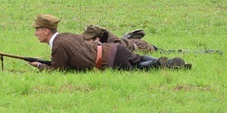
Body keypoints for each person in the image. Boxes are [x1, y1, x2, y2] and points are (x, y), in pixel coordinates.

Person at [28, 14, 190, 71]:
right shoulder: (67, 36)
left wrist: (40, 66)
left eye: (37, 29)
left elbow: (58, 70)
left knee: (138, 70)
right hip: (114, 49)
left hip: (109, 59)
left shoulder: (58, 46)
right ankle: (168, 63)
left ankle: (157, 65)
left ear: (46, 31)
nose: (35, 33)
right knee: (138, 59)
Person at [81, 24, 157, 52]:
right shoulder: (106, 39)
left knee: (158, 50)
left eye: (88, 39)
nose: (86, 41)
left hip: (141, 46)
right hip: (132, 41)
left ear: (97, 39)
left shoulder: (114, 43)